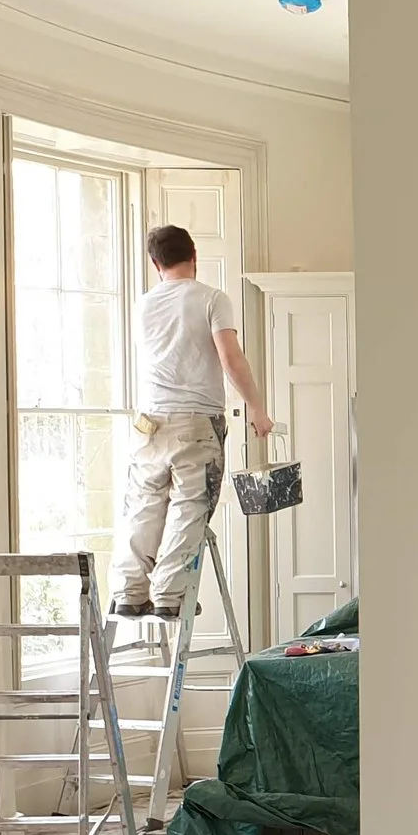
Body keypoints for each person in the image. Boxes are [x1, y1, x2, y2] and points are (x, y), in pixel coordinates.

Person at [110, 224, 274, 621]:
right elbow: (231, 358)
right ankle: (169, 593)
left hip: (148, 424)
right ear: (194, 255)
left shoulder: (143, 304)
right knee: (189, 507)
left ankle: (130, 591)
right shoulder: (212, 299)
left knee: (145, 505)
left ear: (155, 263)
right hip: (195, 422)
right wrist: (256, 407)